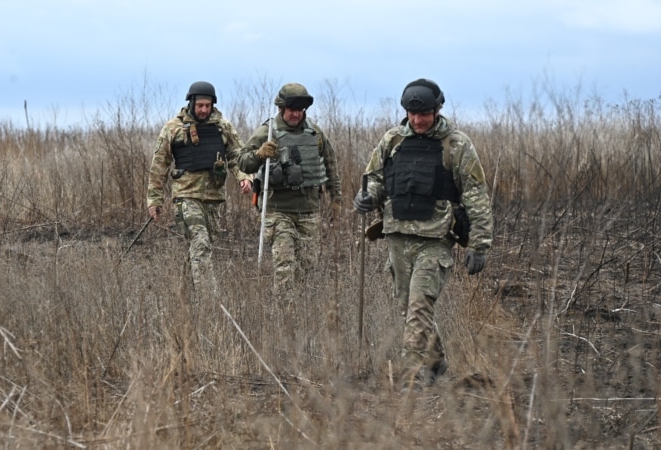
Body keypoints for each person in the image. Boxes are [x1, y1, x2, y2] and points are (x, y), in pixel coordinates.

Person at [353, 78, 493, 391]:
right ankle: (436, 363)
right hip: (398, 236)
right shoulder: (392, 141)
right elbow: (375, 178)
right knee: (409, 307)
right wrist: (367, 196)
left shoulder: (456, 145)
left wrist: (480, 244)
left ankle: (413, 376)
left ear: (437, 109)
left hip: (436, 240)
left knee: (418, 306)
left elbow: (476, 195)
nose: (418, 120)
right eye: (412, 114)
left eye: (425, 113)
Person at [146, 81, 253, 299]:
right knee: (200, 242)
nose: (204, 110)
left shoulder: (223, 127)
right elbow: (159, 165)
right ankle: (209, 300)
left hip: (213, 198)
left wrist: (244, 178)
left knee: (200, 248)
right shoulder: (173, 128)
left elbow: (236, 155)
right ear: (192, 103)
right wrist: (154, 199)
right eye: (200, 105)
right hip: (185, 197)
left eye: (208, 105)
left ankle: (184, 296)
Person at [238, 82, 342, 294]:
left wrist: (336, 198)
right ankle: (284, 312)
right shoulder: (268, 132)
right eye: (292, 109)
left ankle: (301, 317)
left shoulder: (315, 133)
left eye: (300, 110)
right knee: (285, 266)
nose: (296, 114)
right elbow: (242, 162)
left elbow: (330, 163)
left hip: (308, 210)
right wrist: (259, 155)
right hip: (278, 210)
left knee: (307, 265)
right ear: (281, 108)